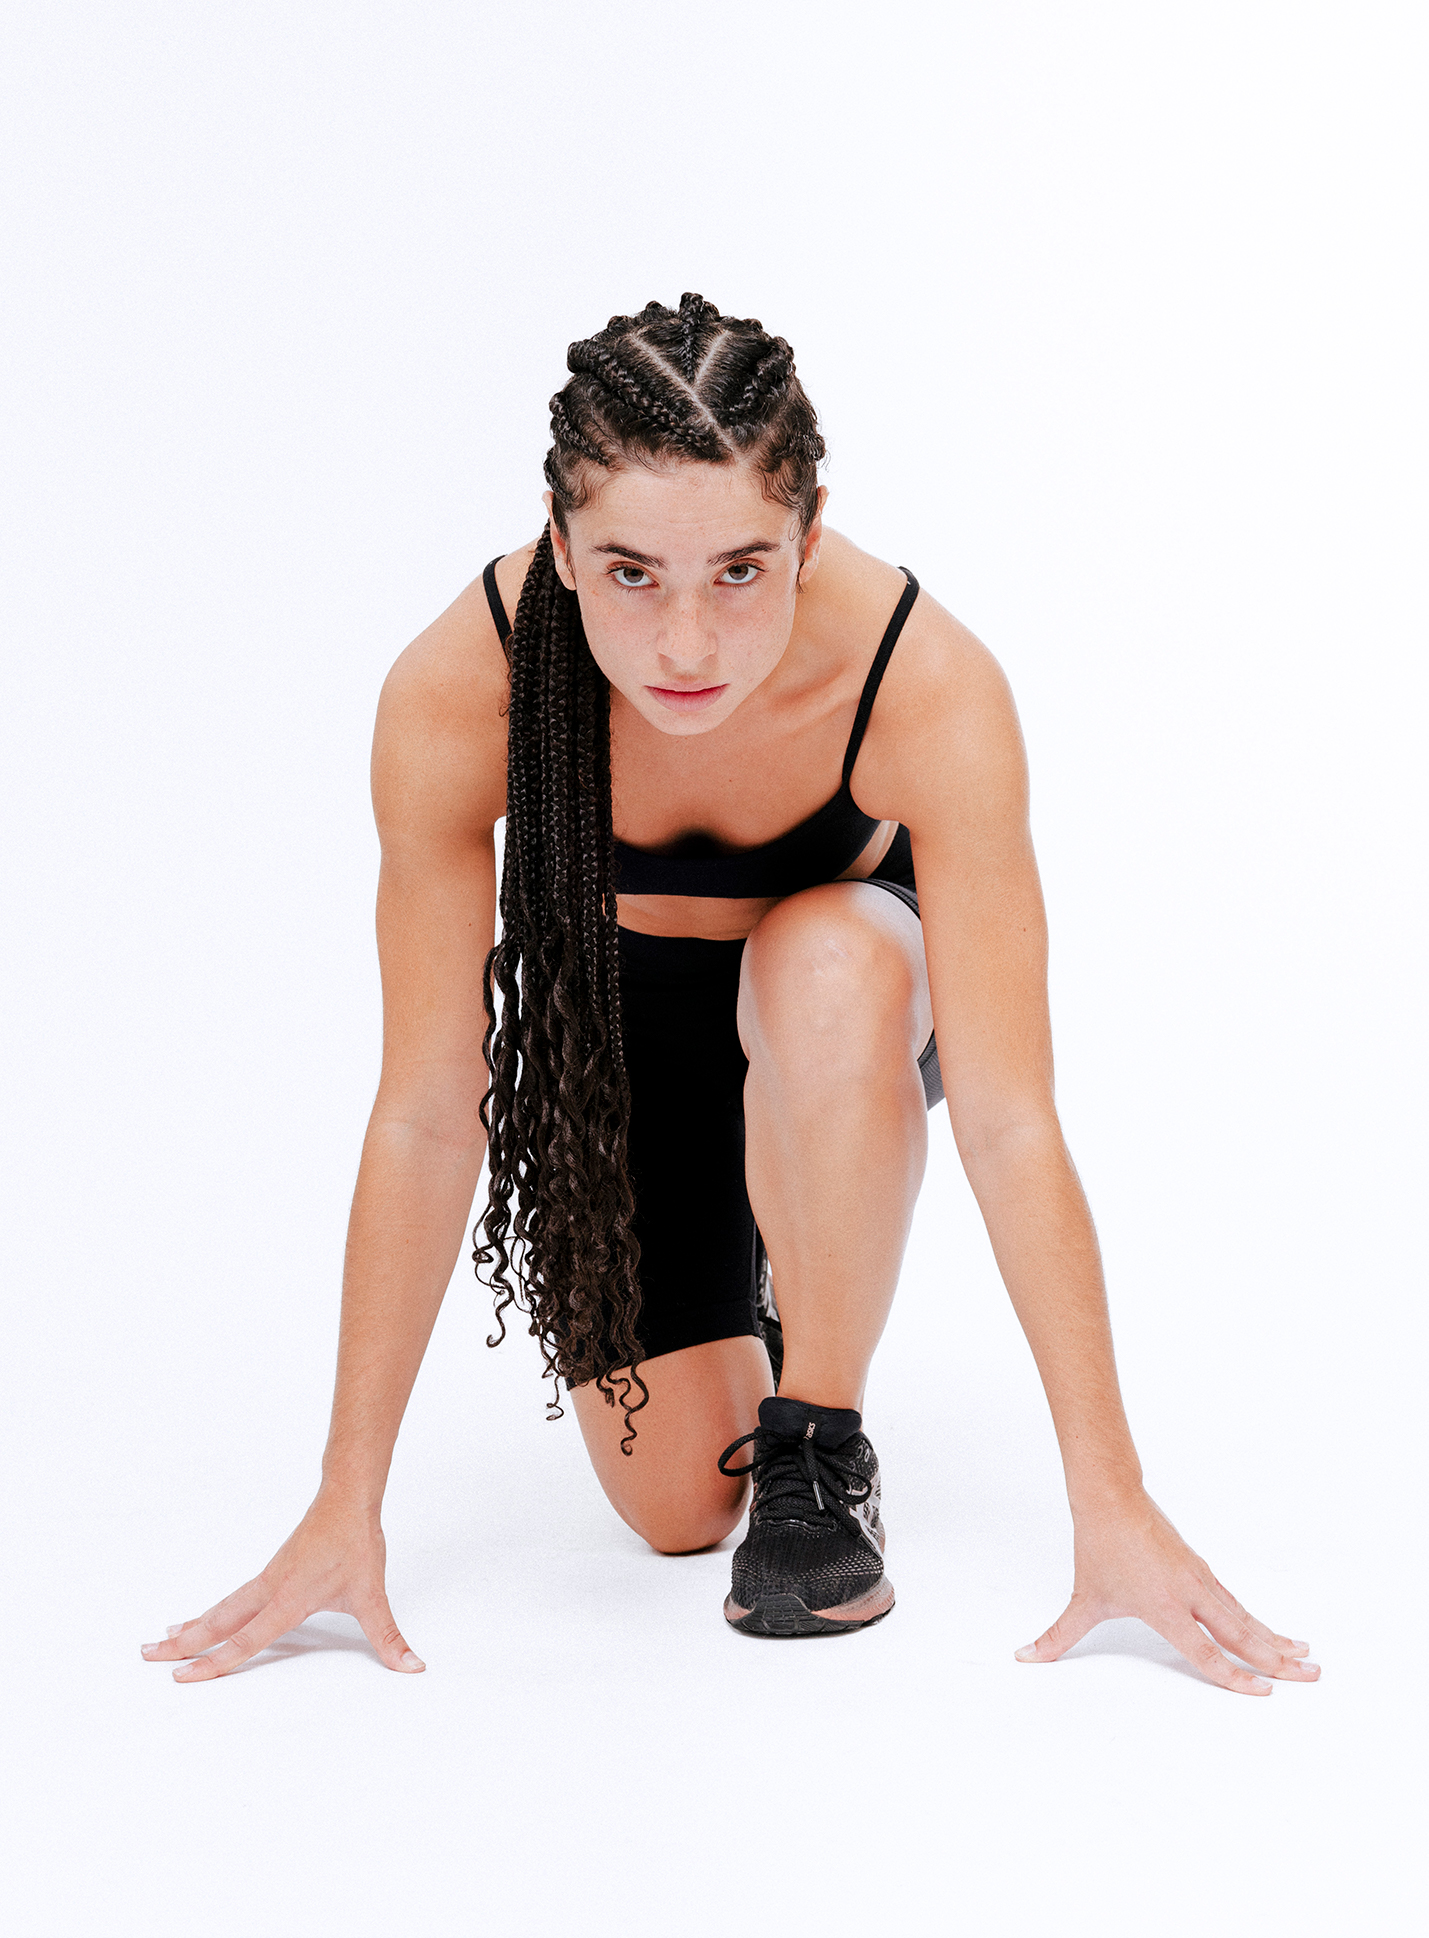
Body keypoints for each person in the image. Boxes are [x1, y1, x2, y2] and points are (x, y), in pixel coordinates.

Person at [142, 295, 1318, 1687]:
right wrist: (346, 1502)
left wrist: (1110, 1501)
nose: (685, 645)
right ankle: (775, 1237)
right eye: (631, 573)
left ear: (808, 535)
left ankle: (819, 1433)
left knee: (818, 964)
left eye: (740, 571)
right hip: (625, 1029)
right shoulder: (462, 690)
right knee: (676, 1506)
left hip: (848, 999)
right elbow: (425, 1110)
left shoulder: (922, 684)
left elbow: (1010, 1119)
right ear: (560, 542)